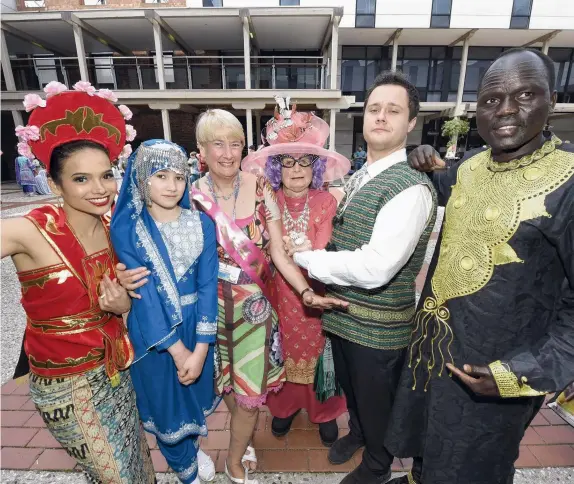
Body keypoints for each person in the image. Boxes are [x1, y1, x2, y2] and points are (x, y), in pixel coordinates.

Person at [117, 108, 347, 484]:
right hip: (203, 311)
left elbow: (275, 253)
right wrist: (125, 278)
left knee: (250, 393)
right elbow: (155, 249)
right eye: (217, 144)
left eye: (235, 143)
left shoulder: (261, 189)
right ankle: (240, 438)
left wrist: (306, 290)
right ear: (202, 151)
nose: (227, 152)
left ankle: (235, 457)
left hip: (254, 311)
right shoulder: (186, 195)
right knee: (221, 383)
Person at [384, 48, 574, 484]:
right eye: (491, 100)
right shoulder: (473, 165)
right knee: (427, 446)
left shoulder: (568, 182)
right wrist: (421, 155)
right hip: (434, 349)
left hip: (494, 375)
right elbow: (447, 181)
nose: (505, 110)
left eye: (524, 95)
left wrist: (523, 373)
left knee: (475, 466)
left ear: (552, 100)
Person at [284, 72, 437, 484]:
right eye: (374, 109)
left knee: (377, 401)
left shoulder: (411, 187)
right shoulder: (357, 178)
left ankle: (377, 465)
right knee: (353, 392)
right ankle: (361, 435)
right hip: (344, 316)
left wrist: (307, 258)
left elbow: (377, 267)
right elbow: (343, 236)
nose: (381, 117)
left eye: (393, 110)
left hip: (379, 327)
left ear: (410, 124)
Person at [1, 83, 155, 482]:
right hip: (64, 386)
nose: (100, 189)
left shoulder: (113, 231)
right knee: (117, 475)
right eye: (81, 179)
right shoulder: (30, 231)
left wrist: (123, 306)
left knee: (135, 465)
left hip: (116, 371)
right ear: (55, 185)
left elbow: (129, 301)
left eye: (106, 175)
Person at [242, 101, 350, 446]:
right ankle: (284, 408)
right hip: (275, 295)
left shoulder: (326, 201)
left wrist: (302, 251)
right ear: (276, 168)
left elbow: (323, 245)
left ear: (316, 167)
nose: (297, 169)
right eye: (287, 162)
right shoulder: (266, 199)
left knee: (321, 353)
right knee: (279, 349)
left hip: (315, 291)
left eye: (305, 161)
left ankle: (324, 412)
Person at [111, 140, 219, 484]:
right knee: (166, 407)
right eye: (161, 175)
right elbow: (144, 294)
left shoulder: (202, 223)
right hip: (155, 334)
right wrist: (179, 350)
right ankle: (187, 472)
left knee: (192, 397)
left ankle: (190, 450)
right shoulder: (128, 229)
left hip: (197, 328)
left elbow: (207, 286)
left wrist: (201, 349)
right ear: (142, 178)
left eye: (179, 177)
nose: (172, 185)